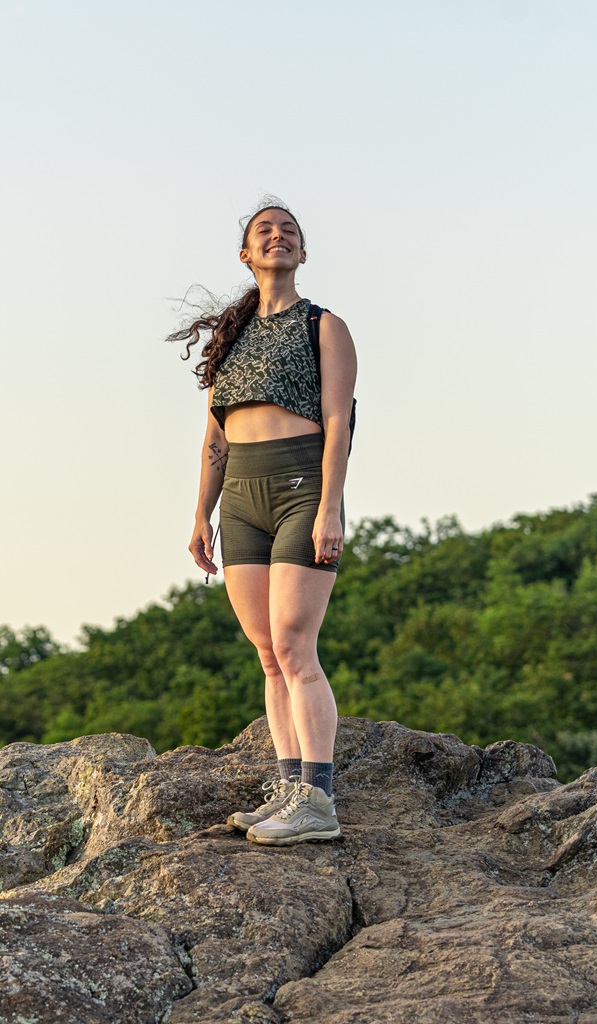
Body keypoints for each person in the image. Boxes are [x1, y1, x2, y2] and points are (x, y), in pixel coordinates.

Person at [171, 199, 357, 846]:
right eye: (264, 232)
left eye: (290, 232)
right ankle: (288, 788)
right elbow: (215, 438)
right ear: (246, 255)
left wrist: (331, 505)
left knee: (294, 643)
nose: (277, 238)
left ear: (302, 254)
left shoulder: (323, 326)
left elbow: (339, 422)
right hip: (241, 498)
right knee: (268, 655)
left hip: (303, 485)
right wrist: (202, 511)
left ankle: (319, 802)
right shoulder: (232, 339)